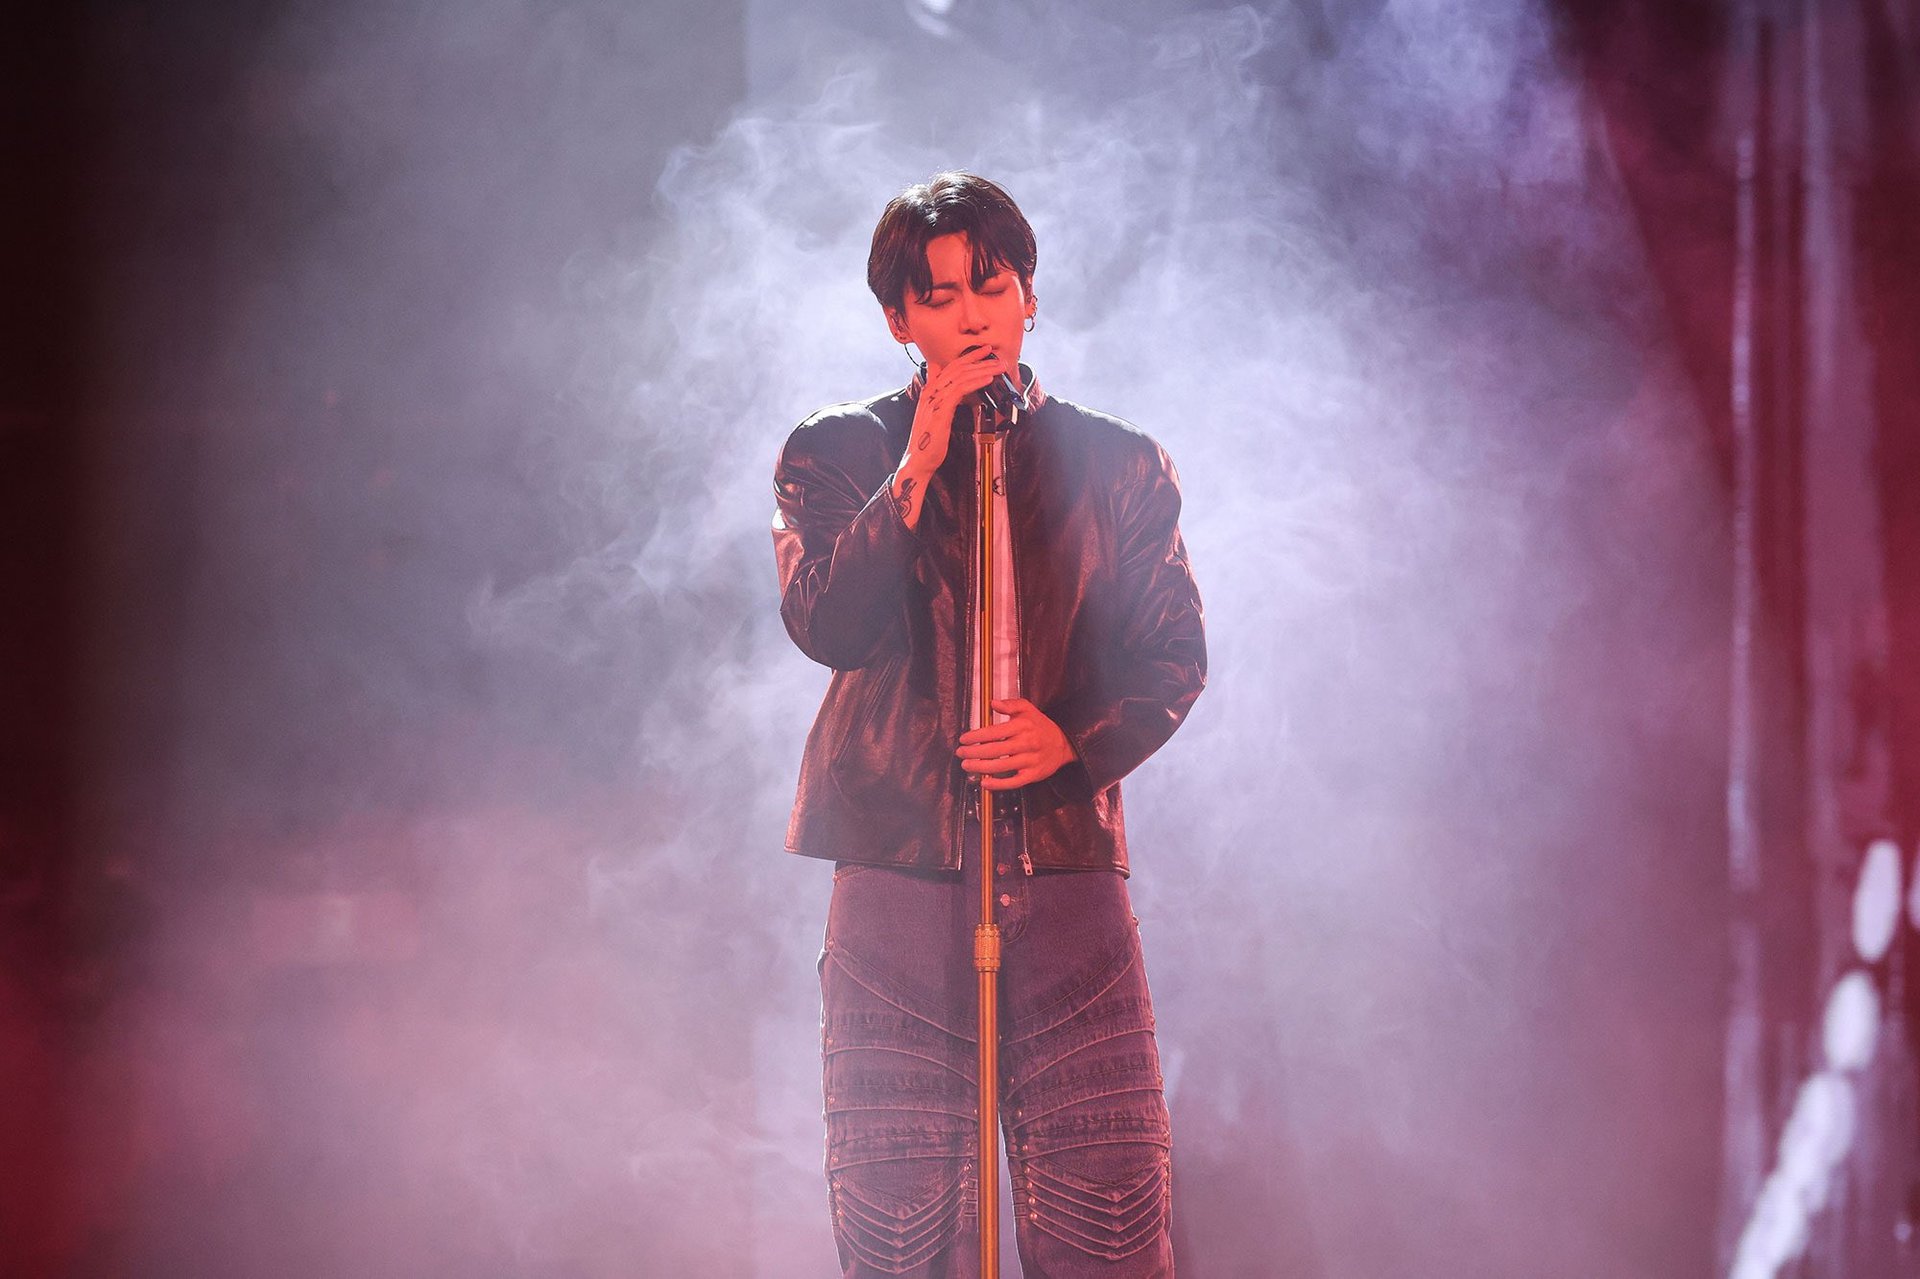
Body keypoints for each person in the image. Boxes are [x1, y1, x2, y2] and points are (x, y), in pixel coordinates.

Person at [772, 171, 1206, 1278]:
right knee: (904, 1237)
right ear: (898, 322)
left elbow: (1172, 656)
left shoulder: (1119, 462)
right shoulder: (836, 451)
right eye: (939, 296)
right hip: (898, 892)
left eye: (992, 285)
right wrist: (917, 463)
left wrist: (1073, 742)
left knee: (1108, 1228)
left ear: (1027, 297)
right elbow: (827, 623)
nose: (970, 315)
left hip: (1065, 884)